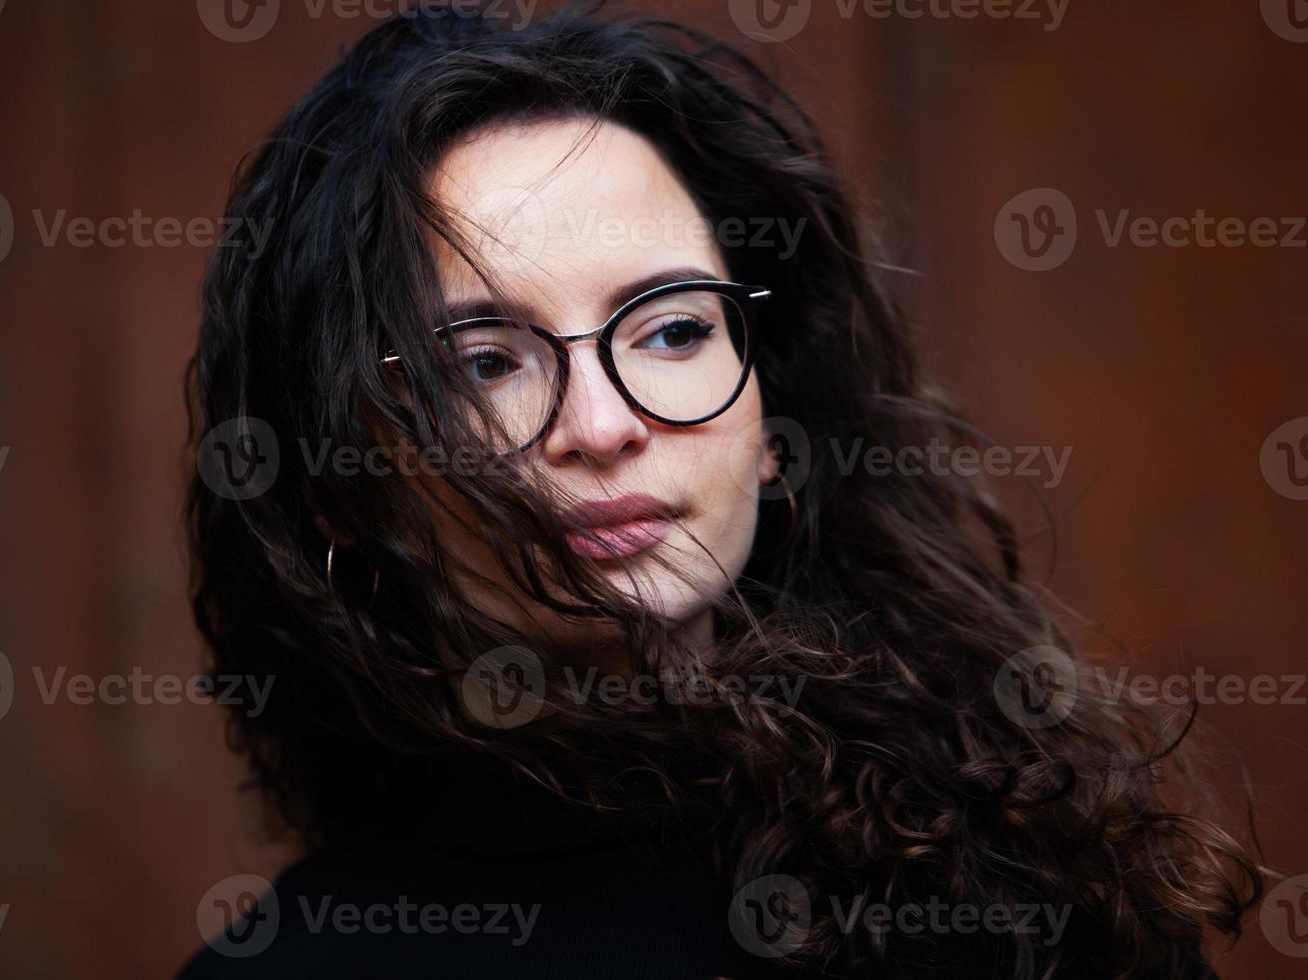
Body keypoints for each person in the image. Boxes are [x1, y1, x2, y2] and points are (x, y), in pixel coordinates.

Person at [180, 3, 1264, 976]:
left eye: (675, 330)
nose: (601, 426)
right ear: (339, 489)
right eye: (483, 361)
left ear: (772, 423)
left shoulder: (1022, 874)